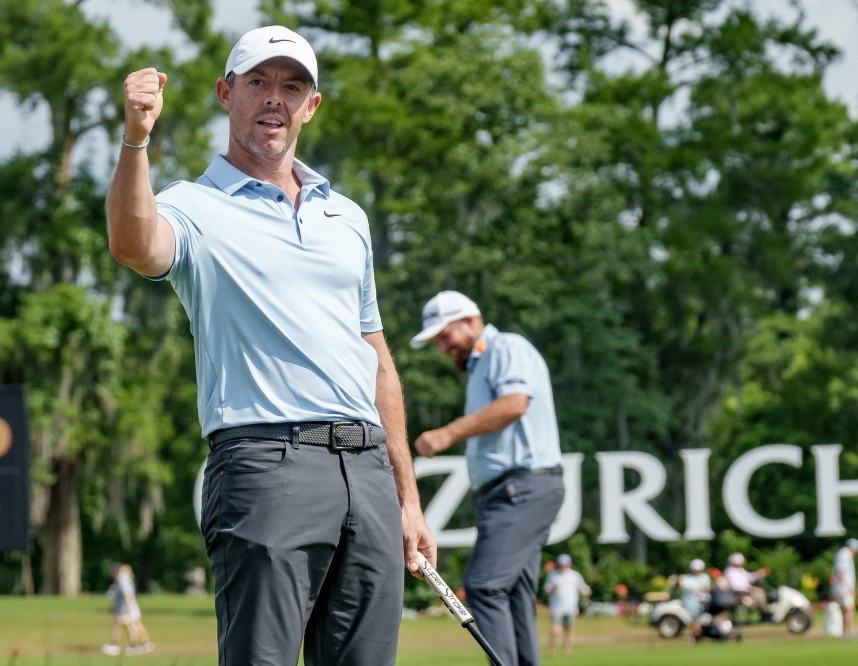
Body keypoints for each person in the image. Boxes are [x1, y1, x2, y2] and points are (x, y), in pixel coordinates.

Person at [105, 25, 436, 665]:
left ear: (311, 106)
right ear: (227, 94)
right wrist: (136, 140)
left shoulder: (348, 219)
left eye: (292, 86)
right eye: (258, 82)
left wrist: (407, 497)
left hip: (366, 472)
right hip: (265, 465)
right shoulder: (193, 206)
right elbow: (133, 243)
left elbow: (375, 354)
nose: (274, 98)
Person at [411, 291, 564, 666]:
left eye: (445, 336)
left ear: (469, 321)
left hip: (520, 488)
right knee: (512, 593)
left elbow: (514, 404)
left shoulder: (503, 347)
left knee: (484, 584)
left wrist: (447, 433)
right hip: (518, 489)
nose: (443, 347)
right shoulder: (482, 365)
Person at [544, 554, 591, 657]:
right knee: (555, 630)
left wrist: (587, 592)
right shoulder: (552, 576)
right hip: (557, 607)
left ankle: (567, 651)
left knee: (569, 629)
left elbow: (583, 588)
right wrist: (553, 588)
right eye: (561, 564)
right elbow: (546, 592)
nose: (563, 566)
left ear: (569, 564)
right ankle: (551, 651)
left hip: (571, 607)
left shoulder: (574, 575)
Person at [101, 564, 153, 656]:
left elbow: (126, 594)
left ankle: (129, 645)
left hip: (125, 608)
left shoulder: (123, 580)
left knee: (128, 626)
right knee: (128, 625)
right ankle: (140, 644)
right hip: (126, 607)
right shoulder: (124, 580)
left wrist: (129, 608)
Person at [832, 538, 858, 641]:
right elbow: (841, 571)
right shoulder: (844, 555)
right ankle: (847, 633)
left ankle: (846, 632)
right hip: (843, 588)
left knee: (846, 609)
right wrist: (847, 586)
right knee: (849, 609)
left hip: (842, 587)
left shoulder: (843, 554)